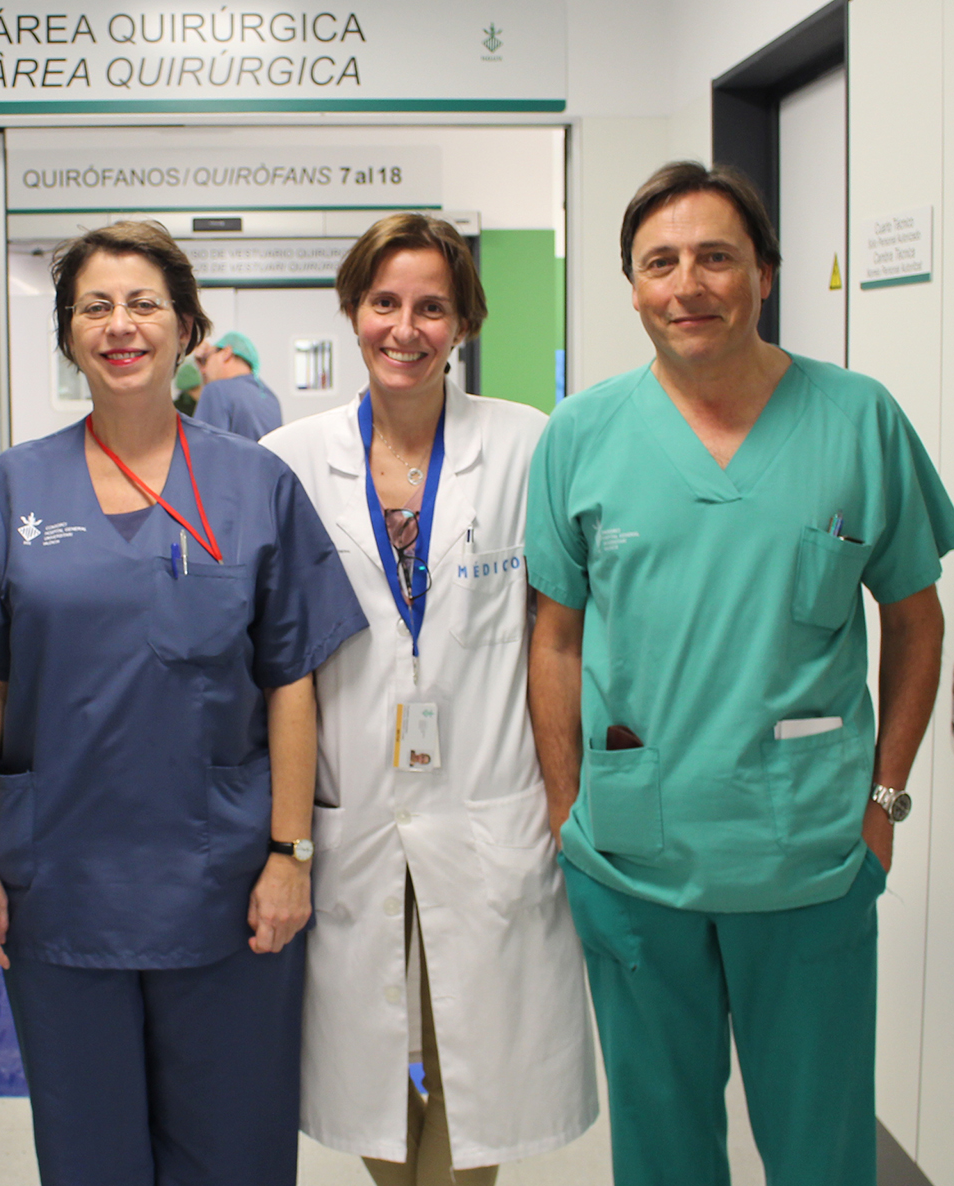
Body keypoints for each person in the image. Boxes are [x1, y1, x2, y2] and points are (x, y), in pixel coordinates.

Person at [524, 161, 954, 1186]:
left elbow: (915, 619)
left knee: (821, 1152)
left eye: (715, 257)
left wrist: (883, 805)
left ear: (765, 273)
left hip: (810, 857)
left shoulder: (857, 418)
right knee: (661, 1153)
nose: (688, 284)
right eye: (659, 263)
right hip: (631, 861)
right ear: (632, 287)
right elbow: (555, 638)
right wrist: (565, 814)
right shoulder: (581, 435)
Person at [0, 220, 367, 1186]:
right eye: (96, 307)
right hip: (62, 888)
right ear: (69, 336)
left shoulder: (254, 485)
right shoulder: (12, 489)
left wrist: (289, 856)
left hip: (225, 887)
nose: (121, 325)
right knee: (90, 1156)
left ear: (187, 328)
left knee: (234, 1152)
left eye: (145, 304)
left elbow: (291, 679)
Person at [263, 213, 596, 1186]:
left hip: (487, 806)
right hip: (352, 811)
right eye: (384, 303)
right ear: (352, 309)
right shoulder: (289, 459)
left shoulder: (526, 444)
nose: (404, 329)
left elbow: (559, 634)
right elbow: (274, 658)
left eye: (431, 308)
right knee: (364, 1066)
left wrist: (567, 798)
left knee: (475, 1068)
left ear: (463, 322)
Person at [194, 329, 283, 439]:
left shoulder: (217, 390)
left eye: (205, 360)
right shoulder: (270, 398)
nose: (203, 370)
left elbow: (202, 444)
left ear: (226, 353)